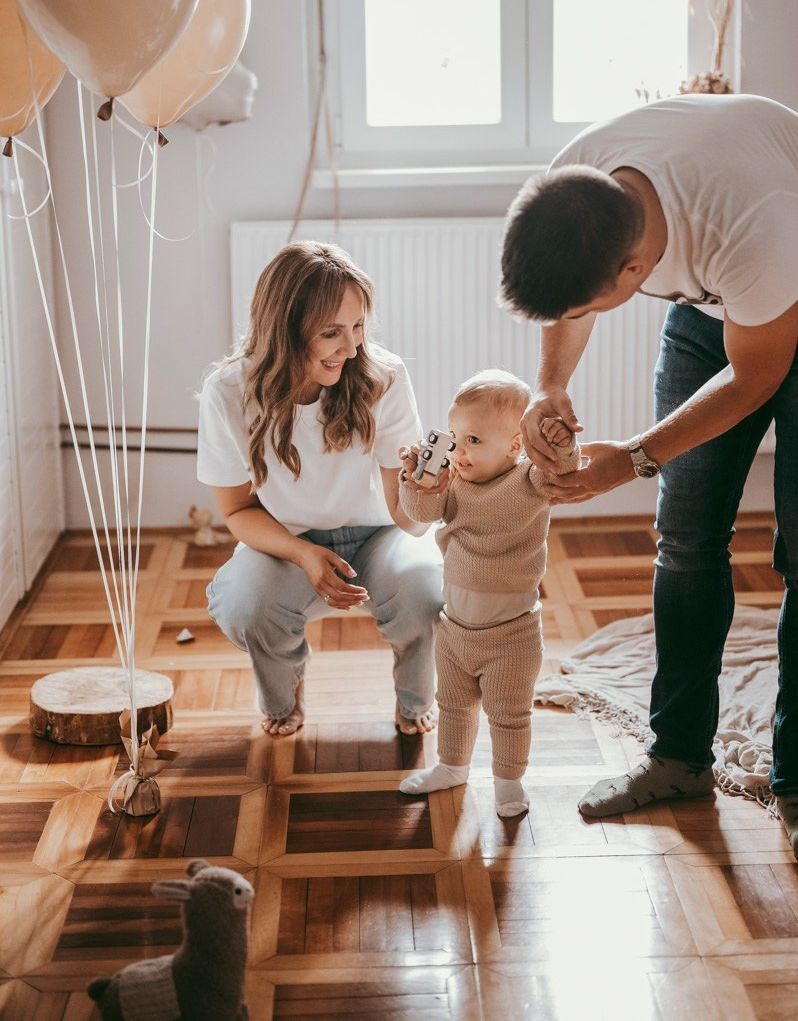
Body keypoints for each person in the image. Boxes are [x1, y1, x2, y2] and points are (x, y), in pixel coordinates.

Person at [499, 93, 798, 855]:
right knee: (686, 536)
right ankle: (678, 759)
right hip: (721, 302)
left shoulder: (752, 218)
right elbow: (572, 303)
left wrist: (630, 460)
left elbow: (756, 375)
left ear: (637, 268)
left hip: (783, 287)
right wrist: (550, 387)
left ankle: (796, 779)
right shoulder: (580, 182)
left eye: (598, 296)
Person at [197, 240, 443, 737]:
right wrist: (303, 555)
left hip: (380, 536)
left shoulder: (384, 377)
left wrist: (431, 489)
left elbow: (408, 520)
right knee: (247, 606)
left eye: (357, 328)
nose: (352, 348)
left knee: (427, 592)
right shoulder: (227, 393)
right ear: (285, 329)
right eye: (332, 333)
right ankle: (283, 702)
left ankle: (416, 703)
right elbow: (238, 510)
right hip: (287, 544)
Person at [396, 369, 580, 817]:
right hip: (455, 630)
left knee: (509, 715)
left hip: (511, 636)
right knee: (453, 706)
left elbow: (566, 470)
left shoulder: (529, 481)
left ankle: (508, 783)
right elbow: (420, 513)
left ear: (516, 445)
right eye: (454, 437)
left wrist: (562, 444)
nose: (458, 451)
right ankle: (452, 768)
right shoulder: (452, 479)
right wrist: (418, 482)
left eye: (473, 440)